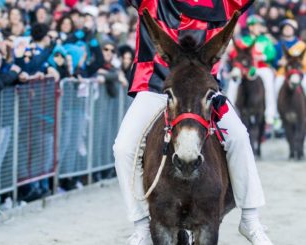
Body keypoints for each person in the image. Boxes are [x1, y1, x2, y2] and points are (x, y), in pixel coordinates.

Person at [113, 1, 273, 245]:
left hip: (201, 89)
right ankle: (141, 224)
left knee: (239, 137)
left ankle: (250, 218)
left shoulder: (223, 3)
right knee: (123, 148)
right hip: (155, 88)